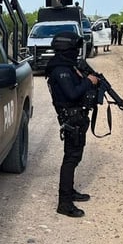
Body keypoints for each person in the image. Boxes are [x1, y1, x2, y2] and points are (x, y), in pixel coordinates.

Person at [44, 31, 99, 218]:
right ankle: (64, 202)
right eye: (74, 49)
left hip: (77, 118)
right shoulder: (60, 70)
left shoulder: (66, 66)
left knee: (74, 158)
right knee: (70, 159)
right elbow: (72, 94)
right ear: (67, 49)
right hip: (71, 119)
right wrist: (88, 82)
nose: (76, 52)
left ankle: (70, 191)